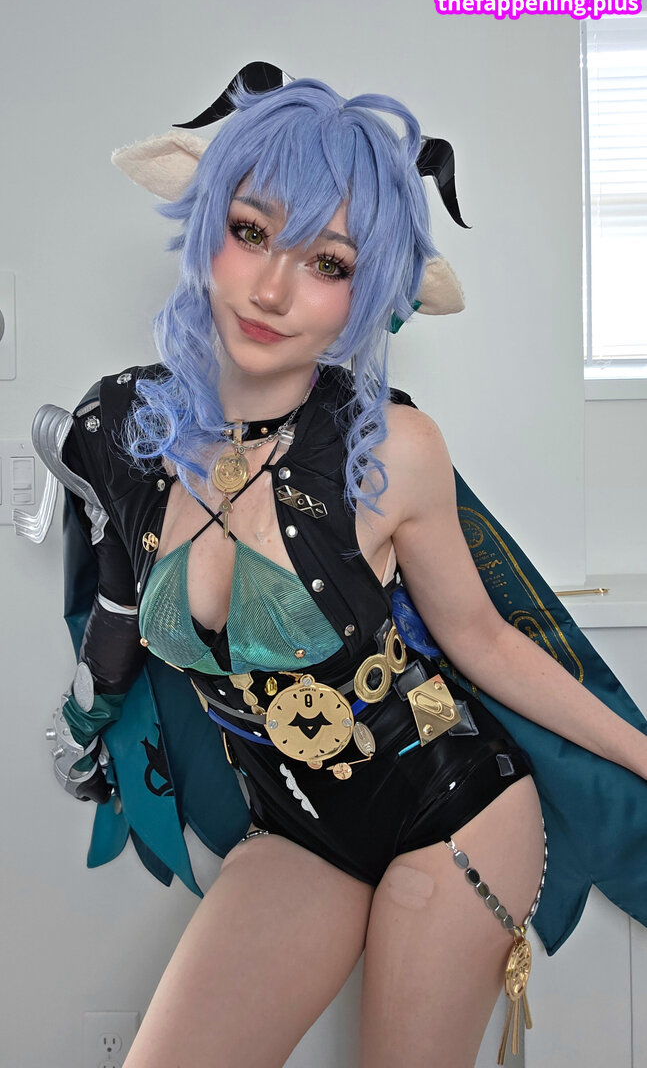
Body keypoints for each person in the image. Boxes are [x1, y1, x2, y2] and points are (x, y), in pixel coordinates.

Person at [27, 67, 647, 1068]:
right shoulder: (123, 429)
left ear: (370, 294)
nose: (272, 290)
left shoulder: (392, 450)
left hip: (452, 811)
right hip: (294, 828)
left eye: (327, 261)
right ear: (205, 228)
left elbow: (481, 640)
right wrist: (83, 715)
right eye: (249, 231)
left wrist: (642, 753)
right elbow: (112, 594)